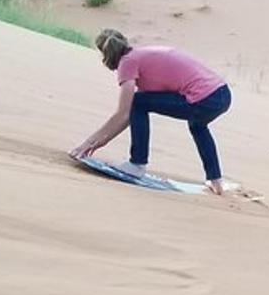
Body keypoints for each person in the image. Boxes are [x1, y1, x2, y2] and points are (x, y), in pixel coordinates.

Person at [71, 30, 232, 195]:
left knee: (138, 101)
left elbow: (124, 112)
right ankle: (215, 180)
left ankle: (137, 163)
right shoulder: (142, 56)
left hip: (204, 98)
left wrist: (89, 143)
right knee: (198, 126)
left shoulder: (128, 62)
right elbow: (130, 116)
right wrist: (98, 142)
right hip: (222, 94)